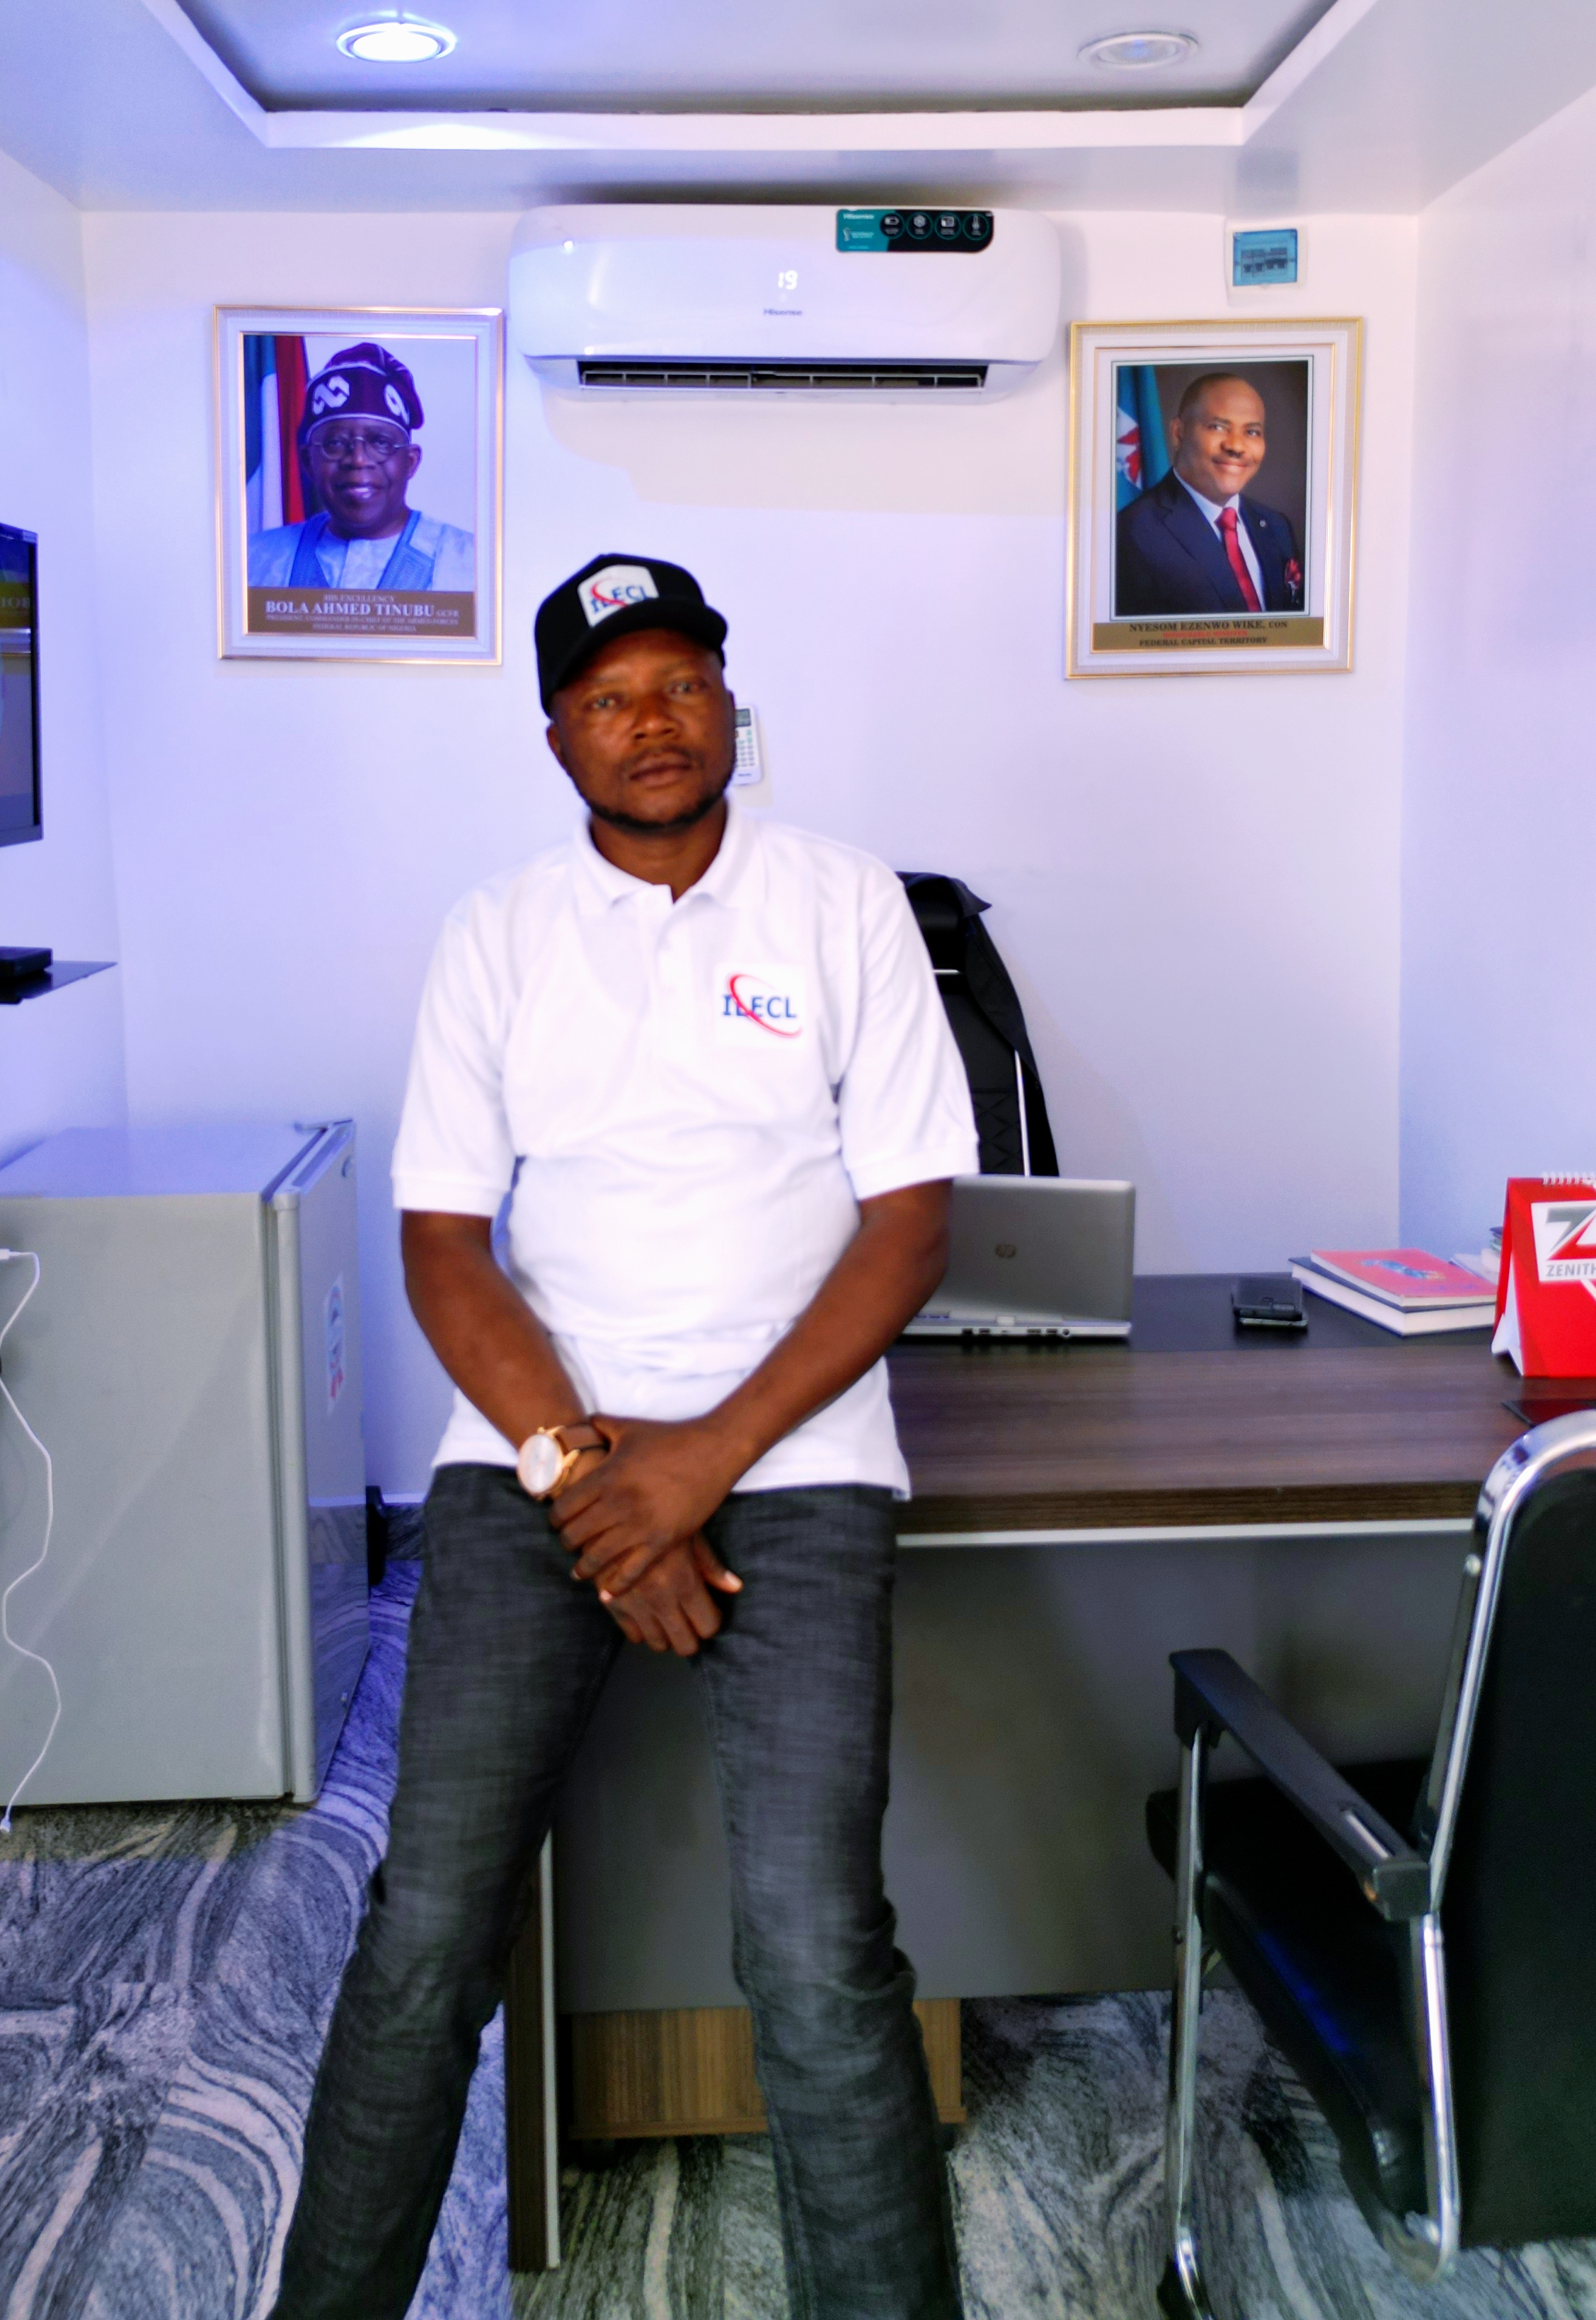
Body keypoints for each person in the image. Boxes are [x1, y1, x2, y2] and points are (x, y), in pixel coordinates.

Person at [273, 551, 979, 2320]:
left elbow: (910, 1226)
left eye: (679, 685)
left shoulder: (844, 905)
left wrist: (697, 1467)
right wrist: (597, 1482)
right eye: (607, 698)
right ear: (556, 737)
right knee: (427, 1928)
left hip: (796, 1460)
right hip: (541, 1464)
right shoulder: (497, 932)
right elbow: (445, 1246)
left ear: (731, 704)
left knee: (816, 1953)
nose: (649, 722)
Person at [246, 340, 475, 593]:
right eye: (335, 443)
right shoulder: (253, 561)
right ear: (309, 462)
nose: (358, 460)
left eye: (380, 442)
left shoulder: (475, 564)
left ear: (410, 462)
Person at [1114, 369, 1303, 616]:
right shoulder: (1130, 535)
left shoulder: (1277, 527)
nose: (1236, 446)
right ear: (1178, 433)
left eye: (1251, 432)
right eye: (1218, 427)